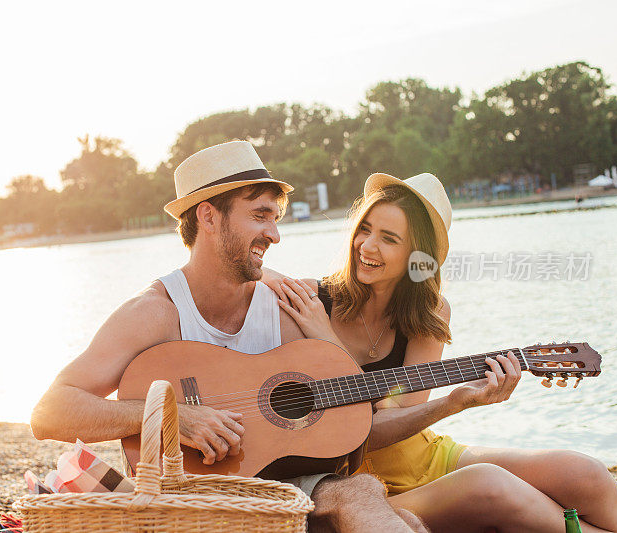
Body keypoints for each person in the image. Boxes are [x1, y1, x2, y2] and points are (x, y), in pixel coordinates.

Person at [31, 142, 427, 533]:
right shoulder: (154, 313)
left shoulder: (284, 306)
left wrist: (452, 379)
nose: (274, 235)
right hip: (196, 501)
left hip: (275, 489)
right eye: (260, 216)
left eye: (275, 219)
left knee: (397, 513)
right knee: (356, 493)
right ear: (208, 216)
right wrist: (175, 419)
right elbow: (49, 413)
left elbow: (373, 340)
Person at [265, 172, 617, 532]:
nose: (366, 246)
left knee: (586, 474)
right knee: (491, 486)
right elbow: (241, 267)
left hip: (423, 455)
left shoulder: (430, 312)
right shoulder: (311, 303)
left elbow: (395, 424)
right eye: (365, 228)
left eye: (388, 238)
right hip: (356, 483)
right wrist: (453, 403)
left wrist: (327, 339)